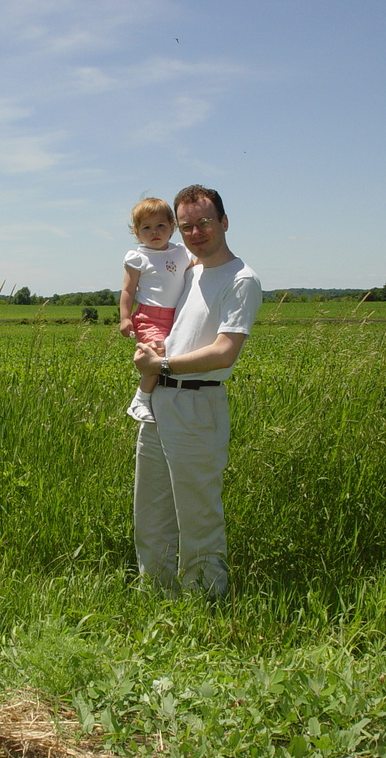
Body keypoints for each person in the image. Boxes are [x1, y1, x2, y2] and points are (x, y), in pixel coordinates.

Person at [131, 185, 262, 599]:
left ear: (224, 222)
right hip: (160, 402)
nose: (195, 232)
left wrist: (161, 365)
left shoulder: (241, 279)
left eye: (205, 222)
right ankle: (157, 598)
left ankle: (205, 604)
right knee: (151, 514)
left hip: (197, 402)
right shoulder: (189, 271)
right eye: (186, 226)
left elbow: (225, 352)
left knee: (198, 514)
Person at [119, 198, 191, 423]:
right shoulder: (139, 257)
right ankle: (139, 400)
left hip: (178, 316)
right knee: (156, 355)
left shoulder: (182, 252)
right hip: (149, 317)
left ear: (172, 227)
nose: (154, 232)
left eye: (160, 225)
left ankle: (166, 401)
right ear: (137, 233)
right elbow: (128, 290)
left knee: (174, 355)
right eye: (146, 228)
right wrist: (124, 317)